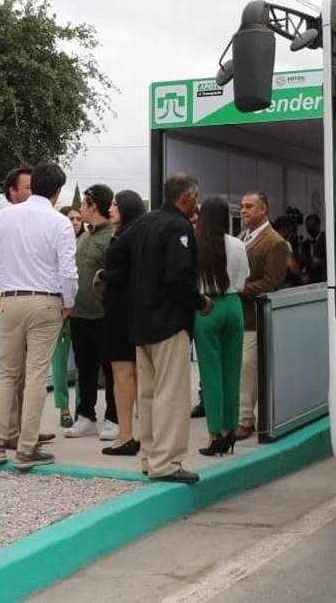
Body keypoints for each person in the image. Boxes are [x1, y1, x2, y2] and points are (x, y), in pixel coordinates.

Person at [101, 173, 208, 483]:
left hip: (140, 323)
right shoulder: (178, 226)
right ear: (187, 197)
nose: (195, 204)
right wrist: (199, 302)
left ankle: (149, 458)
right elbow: (178, 277)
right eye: (195, 198)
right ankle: (167, 463)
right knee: (171, 396)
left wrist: (115, 280)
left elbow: (115, 255)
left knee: (147, 395)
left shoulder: (144, 223)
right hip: (169, 323)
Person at [0, 162, 77, 471]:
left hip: (10, 300)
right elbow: (68, 271)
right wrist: (68, 302)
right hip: (46, 302)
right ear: (57, 191)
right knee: (35, 375)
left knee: (6, 373)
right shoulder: (59, 224)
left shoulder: (3, 217)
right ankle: (27, 447)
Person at [192, 196, 248, 457]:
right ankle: (230, 430)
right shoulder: (238, 243)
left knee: (211, 373)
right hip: (234, 305)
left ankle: (214, 433)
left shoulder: (196, 244)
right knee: (232, 370)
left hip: (207, 306)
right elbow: (244, 278)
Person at [236, 191, 289, 441]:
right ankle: (238, 416)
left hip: (254, 318)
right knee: (240, 368)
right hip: (237, 315)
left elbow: (272, 282)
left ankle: (245, 420)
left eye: (249, 206)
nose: (243, 210)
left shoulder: (275, 242)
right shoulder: (242, 237)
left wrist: (237, 289)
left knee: (248, 369)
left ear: (263, 210)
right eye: (242, 206)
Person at [97, 189, 146, 455]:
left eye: (115, 204)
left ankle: (125, 435)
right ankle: (136, 433)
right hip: (131, 311)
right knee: (133, 374)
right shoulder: (136, 234)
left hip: (120, 312)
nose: (111, 208)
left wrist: (102, 274)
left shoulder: (126, 237)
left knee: (123, 375)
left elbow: (123, 273)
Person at [63, 185, 115, 439]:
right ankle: (85, 416)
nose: (80, 209)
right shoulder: (83, 236)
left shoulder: (112, 237)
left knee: (111, 369)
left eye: (84, 204)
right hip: (79, 314)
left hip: (104, 315)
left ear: (93, 205)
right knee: (85, 369)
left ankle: (114, 418)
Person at [50, 204, 84, 429]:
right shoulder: (54, 243)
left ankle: (83, 407)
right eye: (71, 218)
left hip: (82, 311)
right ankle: (63, 408)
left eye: (78, 218)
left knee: (84, 362)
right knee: (59, 363)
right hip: (58, 310)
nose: (75, 222)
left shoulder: (87, 242)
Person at [301, 213, 326, 283]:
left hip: (324, 277)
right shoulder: (305, 244)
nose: (309, 228)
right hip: (311, 279)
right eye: (307, 226)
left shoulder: (326, 239)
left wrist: (321, 261)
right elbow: (303, 262)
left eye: (312, 225)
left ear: (318, 225)